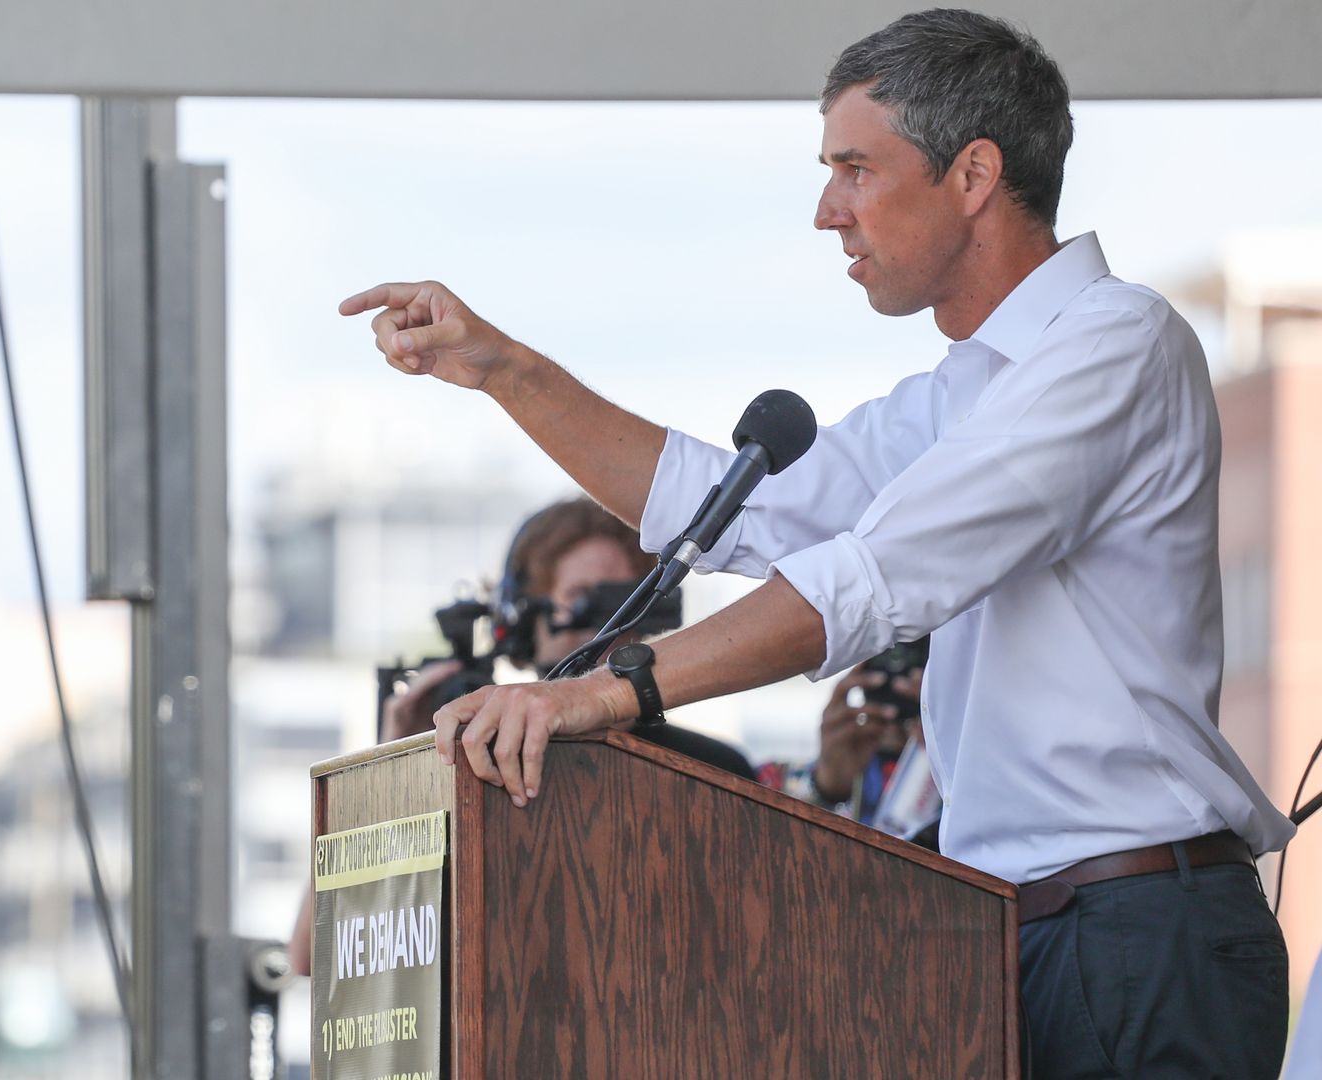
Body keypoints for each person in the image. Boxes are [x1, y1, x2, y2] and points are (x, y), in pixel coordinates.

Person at [338, 10, 1294, 1076]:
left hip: (1138, 935)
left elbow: (870, 581)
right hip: (1008, 929)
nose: (826, 212)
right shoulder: (956, 396)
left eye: (854, 168)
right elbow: (735, 509)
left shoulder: (1117, 346)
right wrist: (505, 369)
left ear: (973, 173)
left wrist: (604, 692)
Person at [286, 496, 749, 975]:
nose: (602, 621)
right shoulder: (469, 762)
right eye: (579, 598)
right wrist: (395, 761)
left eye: (622, 598)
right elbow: (316, 959)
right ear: (525, 618)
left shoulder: (714, 774)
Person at [755, 654, 936, 834]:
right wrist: (825, 789)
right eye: (884, 652)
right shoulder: (772, 781)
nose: (897, 679)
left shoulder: (956, 770)